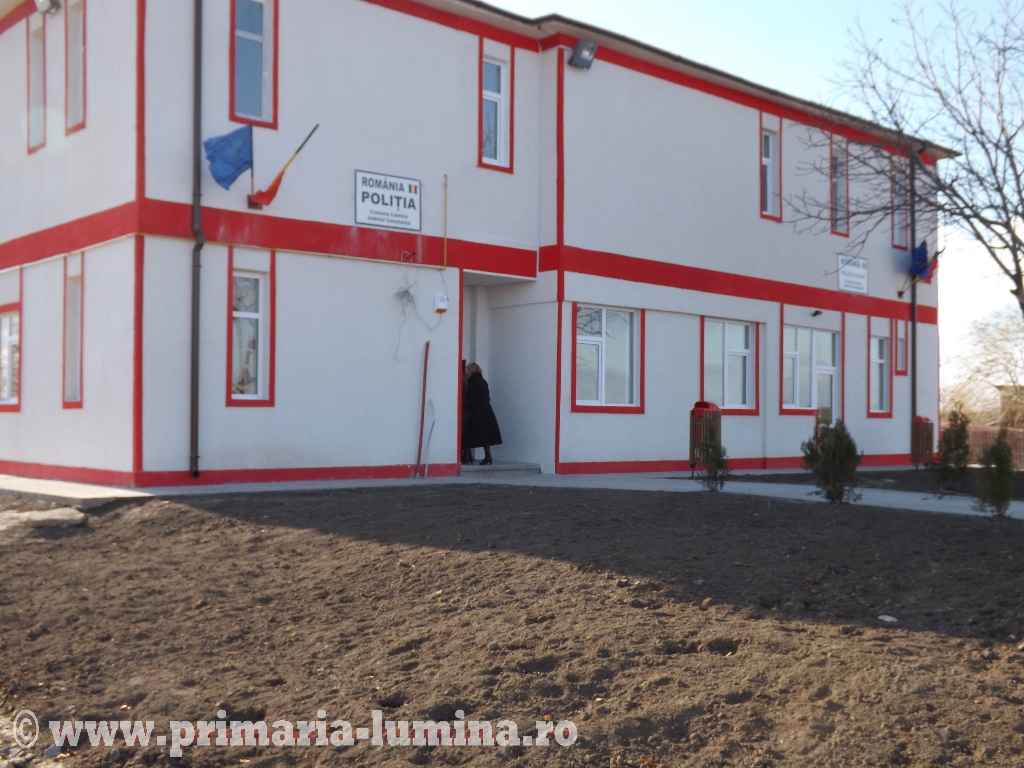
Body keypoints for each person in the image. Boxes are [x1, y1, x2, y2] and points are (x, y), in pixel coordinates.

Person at [462, 363, 502, 465]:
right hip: (487, 409)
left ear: (471, 371)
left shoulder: (473, 382)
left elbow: (473, 399)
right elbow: (487, 397)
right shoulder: (483, 381)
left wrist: (468, 405)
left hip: (477, 410)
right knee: (485, 434)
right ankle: (488, 456)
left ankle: (467, 456)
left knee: (468, 433)